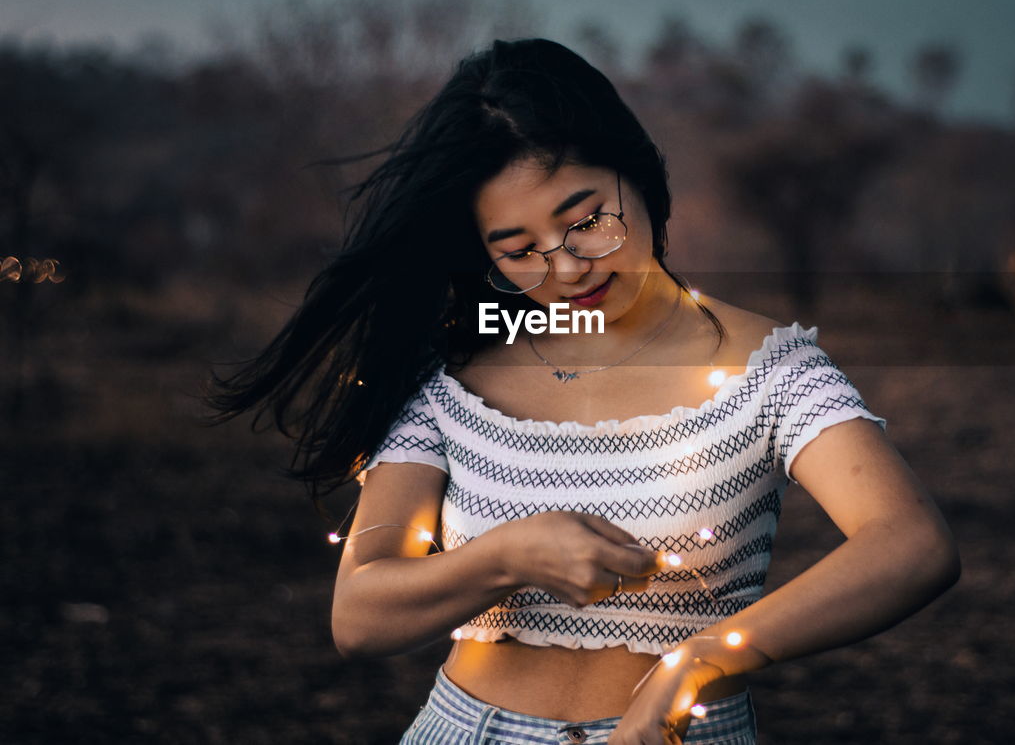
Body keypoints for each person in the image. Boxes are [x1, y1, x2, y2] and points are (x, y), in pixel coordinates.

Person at [203, 37, 960, 745]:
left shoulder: (769, 370)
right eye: (520, 249)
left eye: (587, 219)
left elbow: (912, 544)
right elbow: (359, 616)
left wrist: (701, 660)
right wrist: (509, 555)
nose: (566, 268)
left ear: (639, 174)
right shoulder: (453, 376)